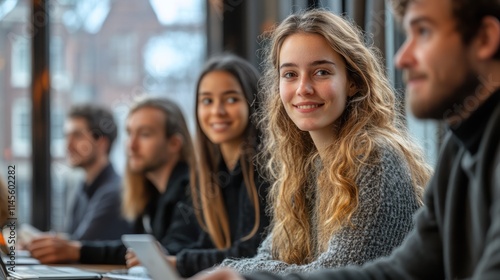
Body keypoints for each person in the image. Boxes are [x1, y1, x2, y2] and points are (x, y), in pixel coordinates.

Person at [196, 0, 500, 279]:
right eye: (289, 75)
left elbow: (343, 268)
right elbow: (405, 270)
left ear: (353, 82)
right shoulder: (459, 150)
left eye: (423, 32)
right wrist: (240, 275)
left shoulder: (375, 157)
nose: (402, 57)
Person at [134, 54, 270, 278]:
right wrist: (167, 259)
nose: (217, 111)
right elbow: (207, 243)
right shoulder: (217, 172)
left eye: (231, 99)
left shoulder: (264, 167)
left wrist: (179, 261)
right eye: (207, 101)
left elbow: (250, 253)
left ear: (253, 102)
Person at [27, 97, 200, 264]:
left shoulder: (191, 190)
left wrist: (75, 250)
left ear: (174, 143)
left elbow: (168, 252)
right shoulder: (149, 193)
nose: (131, 145)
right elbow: (136, 250)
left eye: (145, 134)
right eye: (129, 133)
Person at [37, 104, 131, 243]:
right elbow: (71, 240)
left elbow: (77, 248)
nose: (68, 145)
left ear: (101, 142)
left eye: (77, 136)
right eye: (67, 136)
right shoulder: (82, 188)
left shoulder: (114, 193)